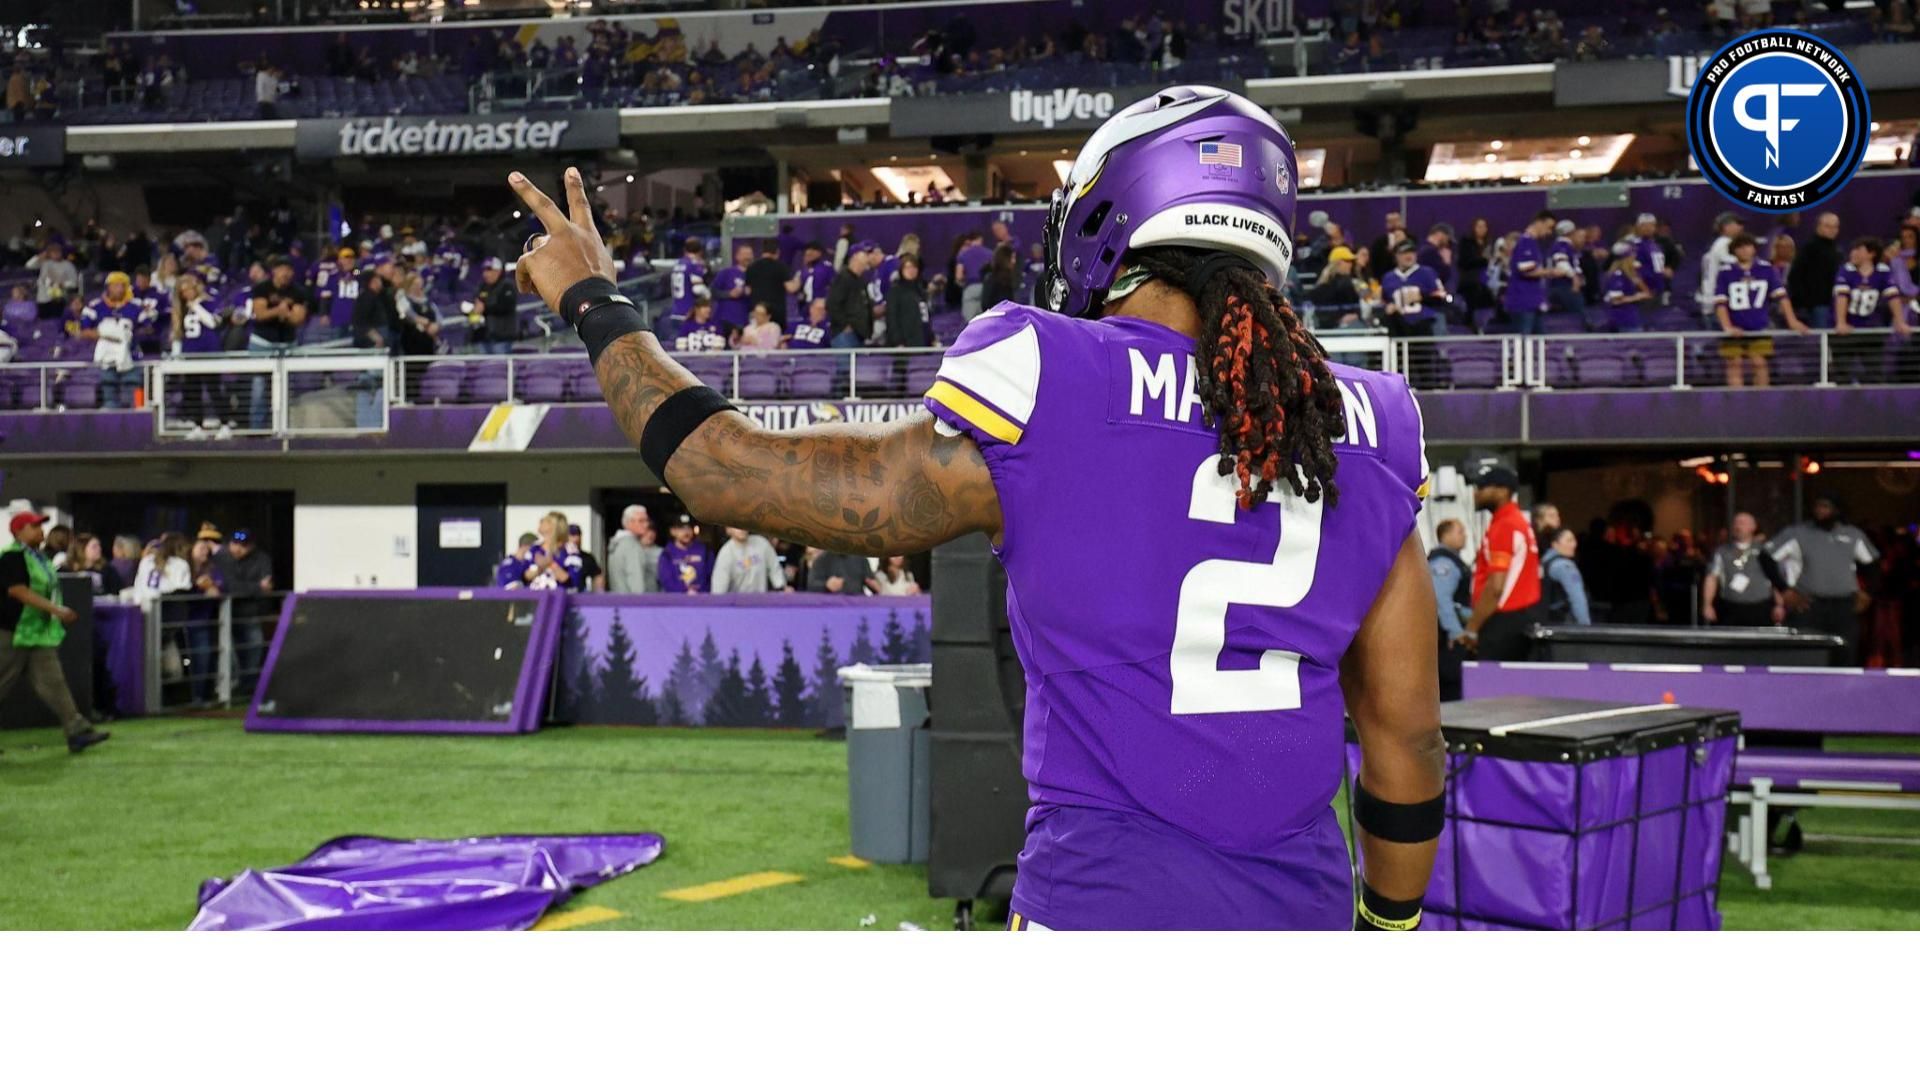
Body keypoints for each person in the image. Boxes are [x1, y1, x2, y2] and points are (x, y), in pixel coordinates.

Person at [505, 84, 1445, 930]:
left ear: (1109, 219)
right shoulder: (1367, 424)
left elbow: (722, 471)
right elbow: (1406, 737)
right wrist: (1386, 927)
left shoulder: (1050, 374)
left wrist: (594, 298)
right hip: (1299, 915)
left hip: (1104, 907)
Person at [0, 511, 110, 754]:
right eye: (34, 526)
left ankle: (77, 731)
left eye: (40, 526)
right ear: (18, 531)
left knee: (54, 683)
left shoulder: (39, 558)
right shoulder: (11, 557)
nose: (40, 531)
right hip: (10, 632)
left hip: (36, 633)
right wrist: (56, 610)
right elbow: (17, 591)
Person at [1762, 497, 1879, 664]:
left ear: (1837, 510)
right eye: (1817, 506)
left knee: (1844, 655)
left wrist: (1868, 592)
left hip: (1844, 606)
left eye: (1825, 506)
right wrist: (1784, 590)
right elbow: (1766, 557)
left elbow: (1873, 564)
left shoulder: (1853, 535)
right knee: (1805, 657)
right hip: (1808, 604)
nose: (1820, 511)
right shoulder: (1798, 533)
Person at [1458, 451, 1540, 661]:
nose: (1476, 493)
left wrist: (1472, 628)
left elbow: (1496, 587)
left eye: (1482, 487)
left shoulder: (1506, 525)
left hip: (1503, 622)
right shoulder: (1516, 522)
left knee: (1489, 681)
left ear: (1502, 491)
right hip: (1515, 619)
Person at [1715, 232, 1801, 389]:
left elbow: (1781, 297)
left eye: (1748, 246)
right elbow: (1721, 303)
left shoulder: (1766, 269)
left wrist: (1792, 321)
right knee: (1734, 363)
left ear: (1754, 248)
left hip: (1759, 327)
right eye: (1740, 247)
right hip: (1734, 328)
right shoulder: (1725, 272)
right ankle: (1736, 400)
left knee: (1759, 363)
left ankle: (1761, 399)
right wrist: (1727, 327)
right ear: (1734, 251)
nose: (1744, 250)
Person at [1832, 236, 1910, 383]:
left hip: (1871, 330)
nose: (1853, 253)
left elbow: (1893, 297)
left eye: (1858, 249)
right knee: (1842, 374)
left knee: (1875, 373)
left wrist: (1900, 321)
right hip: (1848, 331)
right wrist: (1841, 322)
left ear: (1871, 253)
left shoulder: (1882, 271)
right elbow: (1841, 297)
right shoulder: (1846, 270)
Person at [79, 270, 151, 410]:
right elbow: (84, 331)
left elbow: (148, 328)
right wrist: (108, 335)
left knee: (134, 386)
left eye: (123, 285)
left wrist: (128, 334)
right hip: (106, 355)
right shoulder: (95, 306)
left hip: (131, 355)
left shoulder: (135, 306)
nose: (120, 289)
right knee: (109, 386)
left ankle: (138, 412)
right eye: (117, 285)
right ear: (108, 287)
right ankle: (110, 412)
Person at [214, 526, 274, 693]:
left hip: (250, 613)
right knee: (228, 654)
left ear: (252, 546)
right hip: (224, 614)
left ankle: (247, 688)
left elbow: (267, 587)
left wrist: (248, 589)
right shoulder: (221, 558)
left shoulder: (261, 559)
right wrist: (256, 587)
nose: (238, 548)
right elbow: (229, 587)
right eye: (235, 543)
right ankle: (228, 689)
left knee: (253, 648)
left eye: (243, 545)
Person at [1703, 512, 1778, 627]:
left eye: (1742, 523)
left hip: (1760, 608)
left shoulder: (1764, 551)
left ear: (1753, 527)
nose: (1738, 526)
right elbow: (1711, 578)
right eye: (1736, 523)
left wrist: (1779, 605)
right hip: (1730, 607)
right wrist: (1707, 604)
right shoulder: (1722, 552)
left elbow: (1775, 578)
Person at [1428, 519, 1473, 702]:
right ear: (1445, 535)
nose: (1465, 536)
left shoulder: (1453, 561)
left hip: (1447, 634)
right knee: (1451, 687)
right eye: (1460, 531)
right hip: (1447, 638)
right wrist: (1455, 631)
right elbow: (1441, 599)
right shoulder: (1444, 562)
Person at [1502, 211, 1552, 335]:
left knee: (1541, 341)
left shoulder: (1532, 243)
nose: (1549, 232)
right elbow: (1525, 271)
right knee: (1524, 340)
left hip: (1533, 301)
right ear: (1539, 223)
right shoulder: (1525, 242)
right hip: (1523, 302)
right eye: (1549, 227)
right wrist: (1551, 272)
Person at [1539, 528, 1592, 626]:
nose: (1574, 544)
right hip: (1563, 622)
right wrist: (1585, 626)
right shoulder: (1565, 566)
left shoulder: (1543, 562)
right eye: (1569, 540)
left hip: (1544, 620)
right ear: (1555, 544)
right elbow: (1577, 597)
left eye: (1574, 540)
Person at [828, 242, 877, 347]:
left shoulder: (860, 280)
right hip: (845, 335)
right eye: (865, 254)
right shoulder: (843, 278)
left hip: (859, 334)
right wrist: (845, 325)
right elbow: (832, 304)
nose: (868, 257)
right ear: (855, 256)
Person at [711, 527, 788, 593]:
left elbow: (775, 570)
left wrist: (782, 588)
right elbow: (719, 589)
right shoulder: (725, 553)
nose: (741, 529)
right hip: (736, 603)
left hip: (762, 601)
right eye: (736, 526)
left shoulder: (762, 543)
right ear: (728, 530)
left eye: (743, 524)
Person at [606, 505, 661, 594]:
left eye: (646, 520)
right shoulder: (632, 546)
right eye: (641, 521)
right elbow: (636, 584)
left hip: (618, 599)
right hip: (632, 600)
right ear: (629, 523)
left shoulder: (618, 543)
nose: (646, 524)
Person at [1602, 243, 1653, 332]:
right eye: (1632, 255)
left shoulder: (1628, 275)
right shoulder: (1617, 275)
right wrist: (1638, 297)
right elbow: (1615, 301)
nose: (1634, 257)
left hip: (1631, 318)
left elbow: (1647, 291)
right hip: (1623, 319)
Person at [528, 511, 584, 591]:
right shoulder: (535, 548)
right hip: (534, 596)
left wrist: (551, 564)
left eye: (547, 521)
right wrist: (540, 568)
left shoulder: (570, 550)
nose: (541, 522)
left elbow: (571, 581)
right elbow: (525, 576)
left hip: (559, 596)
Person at [883, 255, 931, 348]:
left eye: (913, 267)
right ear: (901, 270)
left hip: (922, 342)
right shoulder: (895, 292)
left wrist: (931, 338)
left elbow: (926, 317)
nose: (911, 270)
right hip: (904, 344)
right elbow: (892, 318)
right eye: (907, 267)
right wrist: (897, 341)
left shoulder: (920, 291)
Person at [657, 514, 712, 594]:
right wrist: (685, 591)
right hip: (677, 600)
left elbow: (711, 577)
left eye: (689, 528)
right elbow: (666, 581)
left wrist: (700, 593)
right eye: (681, 528)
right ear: (673, 531)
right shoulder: (667, 554)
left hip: (702, 598)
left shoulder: (705, 551)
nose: (686, 532)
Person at [475, 258, 519, 354]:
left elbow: (506, 306)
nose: (485, 274)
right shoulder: (483, 286)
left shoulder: (507, 285)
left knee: (500, 362)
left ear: (498, 271)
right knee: (485, 363)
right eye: (484, 270)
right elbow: (477, 304)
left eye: (489, 270)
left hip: (502, 336)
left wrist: (484, 308)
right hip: (484, 335)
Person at [744, 241, 791, 332]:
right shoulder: (781, 267)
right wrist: (799, 280)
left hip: (758, 311)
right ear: (777, 252)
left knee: (757, 335)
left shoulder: (751, 267)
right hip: (777, 312)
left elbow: (747, 291)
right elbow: (790, 288)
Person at [712, 242, 753, 335]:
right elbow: (713, 291)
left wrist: (751, 293)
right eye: (744, 254)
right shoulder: (726, 273)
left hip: (744, 321)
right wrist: (729, 294)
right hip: (724, 320)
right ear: (737, 256)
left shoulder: (756, 275)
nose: (747, 257)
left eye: (750, 254)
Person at [567, 523, 601, 592]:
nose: (576, 538)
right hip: (562, 594)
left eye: (578, 535)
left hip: (580, 594)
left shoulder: (587, 557)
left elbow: (597, 575)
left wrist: (598, 594)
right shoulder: (560, 555)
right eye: (572, 535)